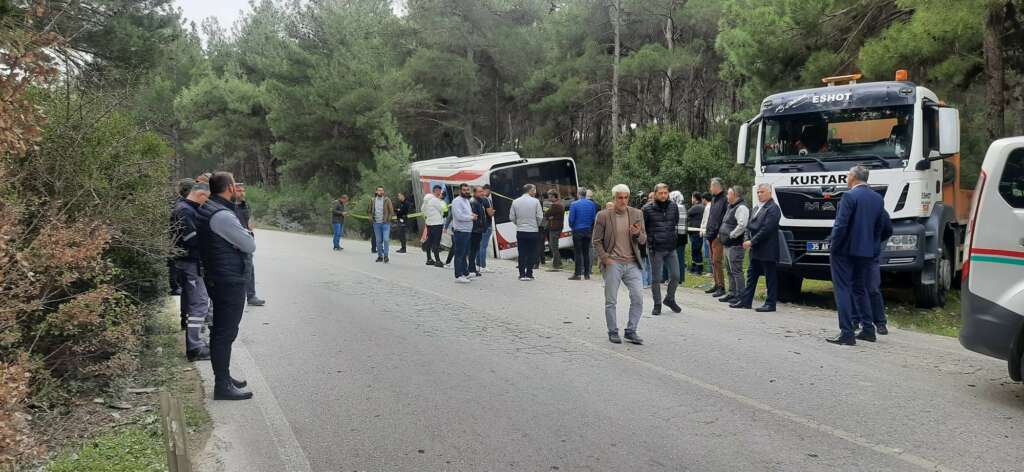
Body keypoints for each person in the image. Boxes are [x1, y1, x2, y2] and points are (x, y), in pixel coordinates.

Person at [196, 172, 255, 401]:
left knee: (223, 331)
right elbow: (249, 244)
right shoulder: (222, 215)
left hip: (219, 275)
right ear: (230, 187)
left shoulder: (210, 207)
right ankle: (222, 385)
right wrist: (247, 233)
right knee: (224, 332)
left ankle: (225, 377)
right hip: (227, 279)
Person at [827, 165, 887, 346]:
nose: (846, 178)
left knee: (843, 289)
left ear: (853, 177)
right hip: (866, 253)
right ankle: (868, 329)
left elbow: (841, 225)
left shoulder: (849, 196)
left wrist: (833, 247)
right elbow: (881, 227)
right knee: (860, 289)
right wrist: (873, 246)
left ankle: (847, 332)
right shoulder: (878, 198)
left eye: (847, 175)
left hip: (845, 251)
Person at [594, 184, 647, 345]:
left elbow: (644, 240)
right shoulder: (603, 216)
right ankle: (613, 331)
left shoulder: (637, 214)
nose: (623, 201)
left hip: (632, 263)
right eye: (620, 198)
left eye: (625, 197)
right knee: (611, 300)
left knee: (638, 297)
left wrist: (638, 234)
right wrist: (605, 258)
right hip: (613, 263)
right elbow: (596, 241)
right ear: (614, 198)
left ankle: (631, 330)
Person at [171, 182, 211, 361]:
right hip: (190, 263)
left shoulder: (183, 208)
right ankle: (194, 347)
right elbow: (190, 238)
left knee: (192, 303)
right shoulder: (186, 210)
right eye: (206, 200)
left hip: (186, 262)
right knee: (200, 303)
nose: (206, 204)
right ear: (201, 195)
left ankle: (195, 343)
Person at [732, 184, 782, 312]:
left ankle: (770, 303)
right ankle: (746, 301)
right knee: (751, 275)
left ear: (770, 193)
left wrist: (752, 242)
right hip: (755, 249)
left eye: (762, 192)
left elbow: (767, 229)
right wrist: (746, 239)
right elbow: (748, 226)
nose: (759, 194)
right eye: (758, 192)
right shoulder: (755, 208)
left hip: (767, 248)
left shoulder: (773, 208)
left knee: (770, 276)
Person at [642, 184, 682, 316]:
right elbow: (642, 228)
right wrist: (649, 242)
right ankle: (657, 304)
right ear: (655, 194)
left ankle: (670, 299)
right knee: (656, 278)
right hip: (655, 249)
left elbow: (674, 222)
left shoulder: (673, 206)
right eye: (661, 193)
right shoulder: (647, 209)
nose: (664, 195)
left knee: (676, 276)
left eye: (666, 192)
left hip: (670, 247)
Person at [233, 183, 264, 306]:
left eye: (243, 190)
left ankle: (251, 296)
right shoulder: (228, 207)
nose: (242, 193)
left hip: (246, 240)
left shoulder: (246, 206)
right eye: (239, 190)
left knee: (250, 268)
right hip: (234, 242)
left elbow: (250, 222)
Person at [718, 186, 749, 304]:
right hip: (728, 244)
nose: (727, 196)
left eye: (728, 194)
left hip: (735, 245)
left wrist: (731, 235)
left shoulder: (741, 207)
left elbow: (742, 225)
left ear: (735, 195)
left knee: (736, 271)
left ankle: (741, 295)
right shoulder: (731, 206)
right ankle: (732, 293)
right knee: (730, 271)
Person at [865, 209, 894, 335]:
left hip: (870, 254)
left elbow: (888, 230)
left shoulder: (878, 209)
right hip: (863, 252)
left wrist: (876, 240)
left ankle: (880, 323)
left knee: (872, 288)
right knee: (867, 288)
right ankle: (862, 321)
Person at [509, 184, 543, 281]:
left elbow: (511, 217)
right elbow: (540, 217)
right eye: (534, 190)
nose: (535, 191)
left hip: (521, 231)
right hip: (533, 231)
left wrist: (518, 223)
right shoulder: (536, 202)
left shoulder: (515, 202)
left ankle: (521, 274)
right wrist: (535, 225)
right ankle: (529, 274)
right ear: (530, 190)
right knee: (532, 252)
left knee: (522, 252)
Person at [168, 179, 195, 296]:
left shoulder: (179, 204)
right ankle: (175, 286)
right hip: (181, 246)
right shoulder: (184, 208)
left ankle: (176, 286)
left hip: (177, 244)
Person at [568, 187, 599, 280]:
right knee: (586, 252)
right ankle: (587, 274)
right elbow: (593, 218)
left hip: (577, 230)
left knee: (578, 252)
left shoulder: (574, 204)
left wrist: (572, 226)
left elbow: (571, 219)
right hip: (588, 230)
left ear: (578, 194)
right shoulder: (591, 204)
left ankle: (577, 274)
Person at [705, 178, 729, 297]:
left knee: (717, 261)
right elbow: (711, 217)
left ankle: (721, 286)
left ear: (716, 187)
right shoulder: (714, 199)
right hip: (710, 234)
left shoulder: (725, 200)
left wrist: (720, 233)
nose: (710, 189)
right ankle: (716, 283)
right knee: (712, 261)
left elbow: (724, 218)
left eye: (711, 186)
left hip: (718, 235)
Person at [450, 183, 476, 283]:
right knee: (459, 254)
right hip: (460, 231)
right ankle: (458, 275)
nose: (466, 191)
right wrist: (471, 217)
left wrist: (472, 214)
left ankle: (465, 272)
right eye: (464, 190)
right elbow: (459, 216)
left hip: (467, 230)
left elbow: (466, 213)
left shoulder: (466, 200)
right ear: (460, 191)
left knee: (465, 253)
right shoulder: (457, 201)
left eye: (467, 190)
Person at [368, 186, 395, 263]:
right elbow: (369, 211)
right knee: (378, 241)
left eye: (382, 190)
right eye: (379, 190)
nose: (380, 191)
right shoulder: (372, 200)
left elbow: (391, 211)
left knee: (386, 240)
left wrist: (388, 220)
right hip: (376, 224)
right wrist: (370, 218)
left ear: (383, 192)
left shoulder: (387, 200)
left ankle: (386, 256)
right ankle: (380, 256)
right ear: (376, 191)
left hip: (385, 224)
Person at [421, 186, 446, 267]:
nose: (440, 193)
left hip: (429, 223)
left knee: (429, 241)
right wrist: (441, 215)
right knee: (436, 242)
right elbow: (441, 210)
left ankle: (429, 259)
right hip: (437, 223)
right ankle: (438, 261)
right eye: (439, 191)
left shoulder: (426, 201)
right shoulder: (435, 200)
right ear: (436, 191)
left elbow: (422, 210)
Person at [668, 190, 688, 283]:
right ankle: (681, 278)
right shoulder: (683, 207)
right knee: (681, 258)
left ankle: (673, 278)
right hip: (683, 236)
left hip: (674, 236)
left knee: (672, 259)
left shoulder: (673, 207)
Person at [475, 184, 495, 273]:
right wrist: (493, 211)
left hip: (477, 226)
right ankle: (483, 266)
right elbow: (490, 213)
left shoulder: (475, 200)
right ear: (487, 190)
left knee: (478, 246)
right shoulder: (487, 199)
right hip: (486, 226)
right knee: (483, 246)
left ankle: (477, 265)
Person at [469, 186, 488, 277]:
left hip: (478, 230)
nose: (482, 193)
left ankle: (472, 268)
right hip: (475, 230)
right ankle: (471, 269)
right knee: (473, 250)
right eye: (480, 192)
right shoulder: (473, 202)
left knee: (475, 249)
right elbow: (475, 217)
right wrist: (482, 224)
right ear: (475, 193)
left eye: (482, 191)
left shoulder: (479, 201)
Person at [544, 191, 565, 270]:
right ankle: (559, 263)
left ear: (553, 196)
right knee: (554, 246)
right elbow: (549, 215)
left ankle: (556, 265)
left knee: (553, 247)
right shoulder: (559, 203)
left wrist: (549, 216)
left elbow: (546, 214)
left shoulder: (556, 205)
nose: (548, 198)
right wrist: (550, 217)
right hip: (556, 227)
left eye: (549, 196)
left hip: (554, 228)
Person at [686, 192, 705, 275]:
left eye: (692, 197)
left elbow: (687, 213)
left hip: (695, 232)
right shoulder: (701, 206)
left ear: (695, 198)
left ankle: (698, 269)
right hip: (695, 232)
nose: (691, 199)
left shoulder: (696, 207)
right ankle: (694, 268)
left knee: (696, 250)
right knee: (695, 250)